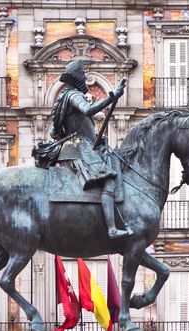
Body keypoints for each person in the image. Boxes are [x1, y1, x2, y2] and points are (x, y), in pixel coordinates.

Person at [33, 60, 131, 239]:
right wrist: (112, 96)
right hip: (79, 148)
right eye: (83, 73)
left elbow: (57, 131)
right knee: (108, 181)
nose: (85, 77)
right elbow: (89, 110)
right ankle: (112, 229)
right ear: (76, 76)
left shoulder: (63, 97)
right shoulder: (73, 95)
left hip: (75, 146)